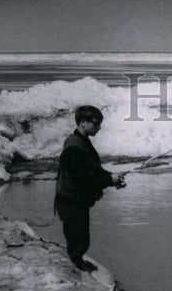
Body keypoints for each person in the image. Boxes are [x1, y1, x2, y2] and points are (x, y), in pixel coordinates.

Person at [54, 105, 126, 272]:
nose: (99, 127)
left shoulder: (81, 142)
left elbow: (92, 172)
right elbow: (82, 179)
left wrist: (111, 179)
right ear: (83, 122)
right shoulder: (74, 147)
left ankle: (77, 268)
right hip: (70, 203)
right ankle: (74, 274)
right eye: (96, 123)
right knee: (78, 242)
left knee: (81, 241)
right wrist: (108, 179)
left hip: (75, 202)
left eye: (100, 123)